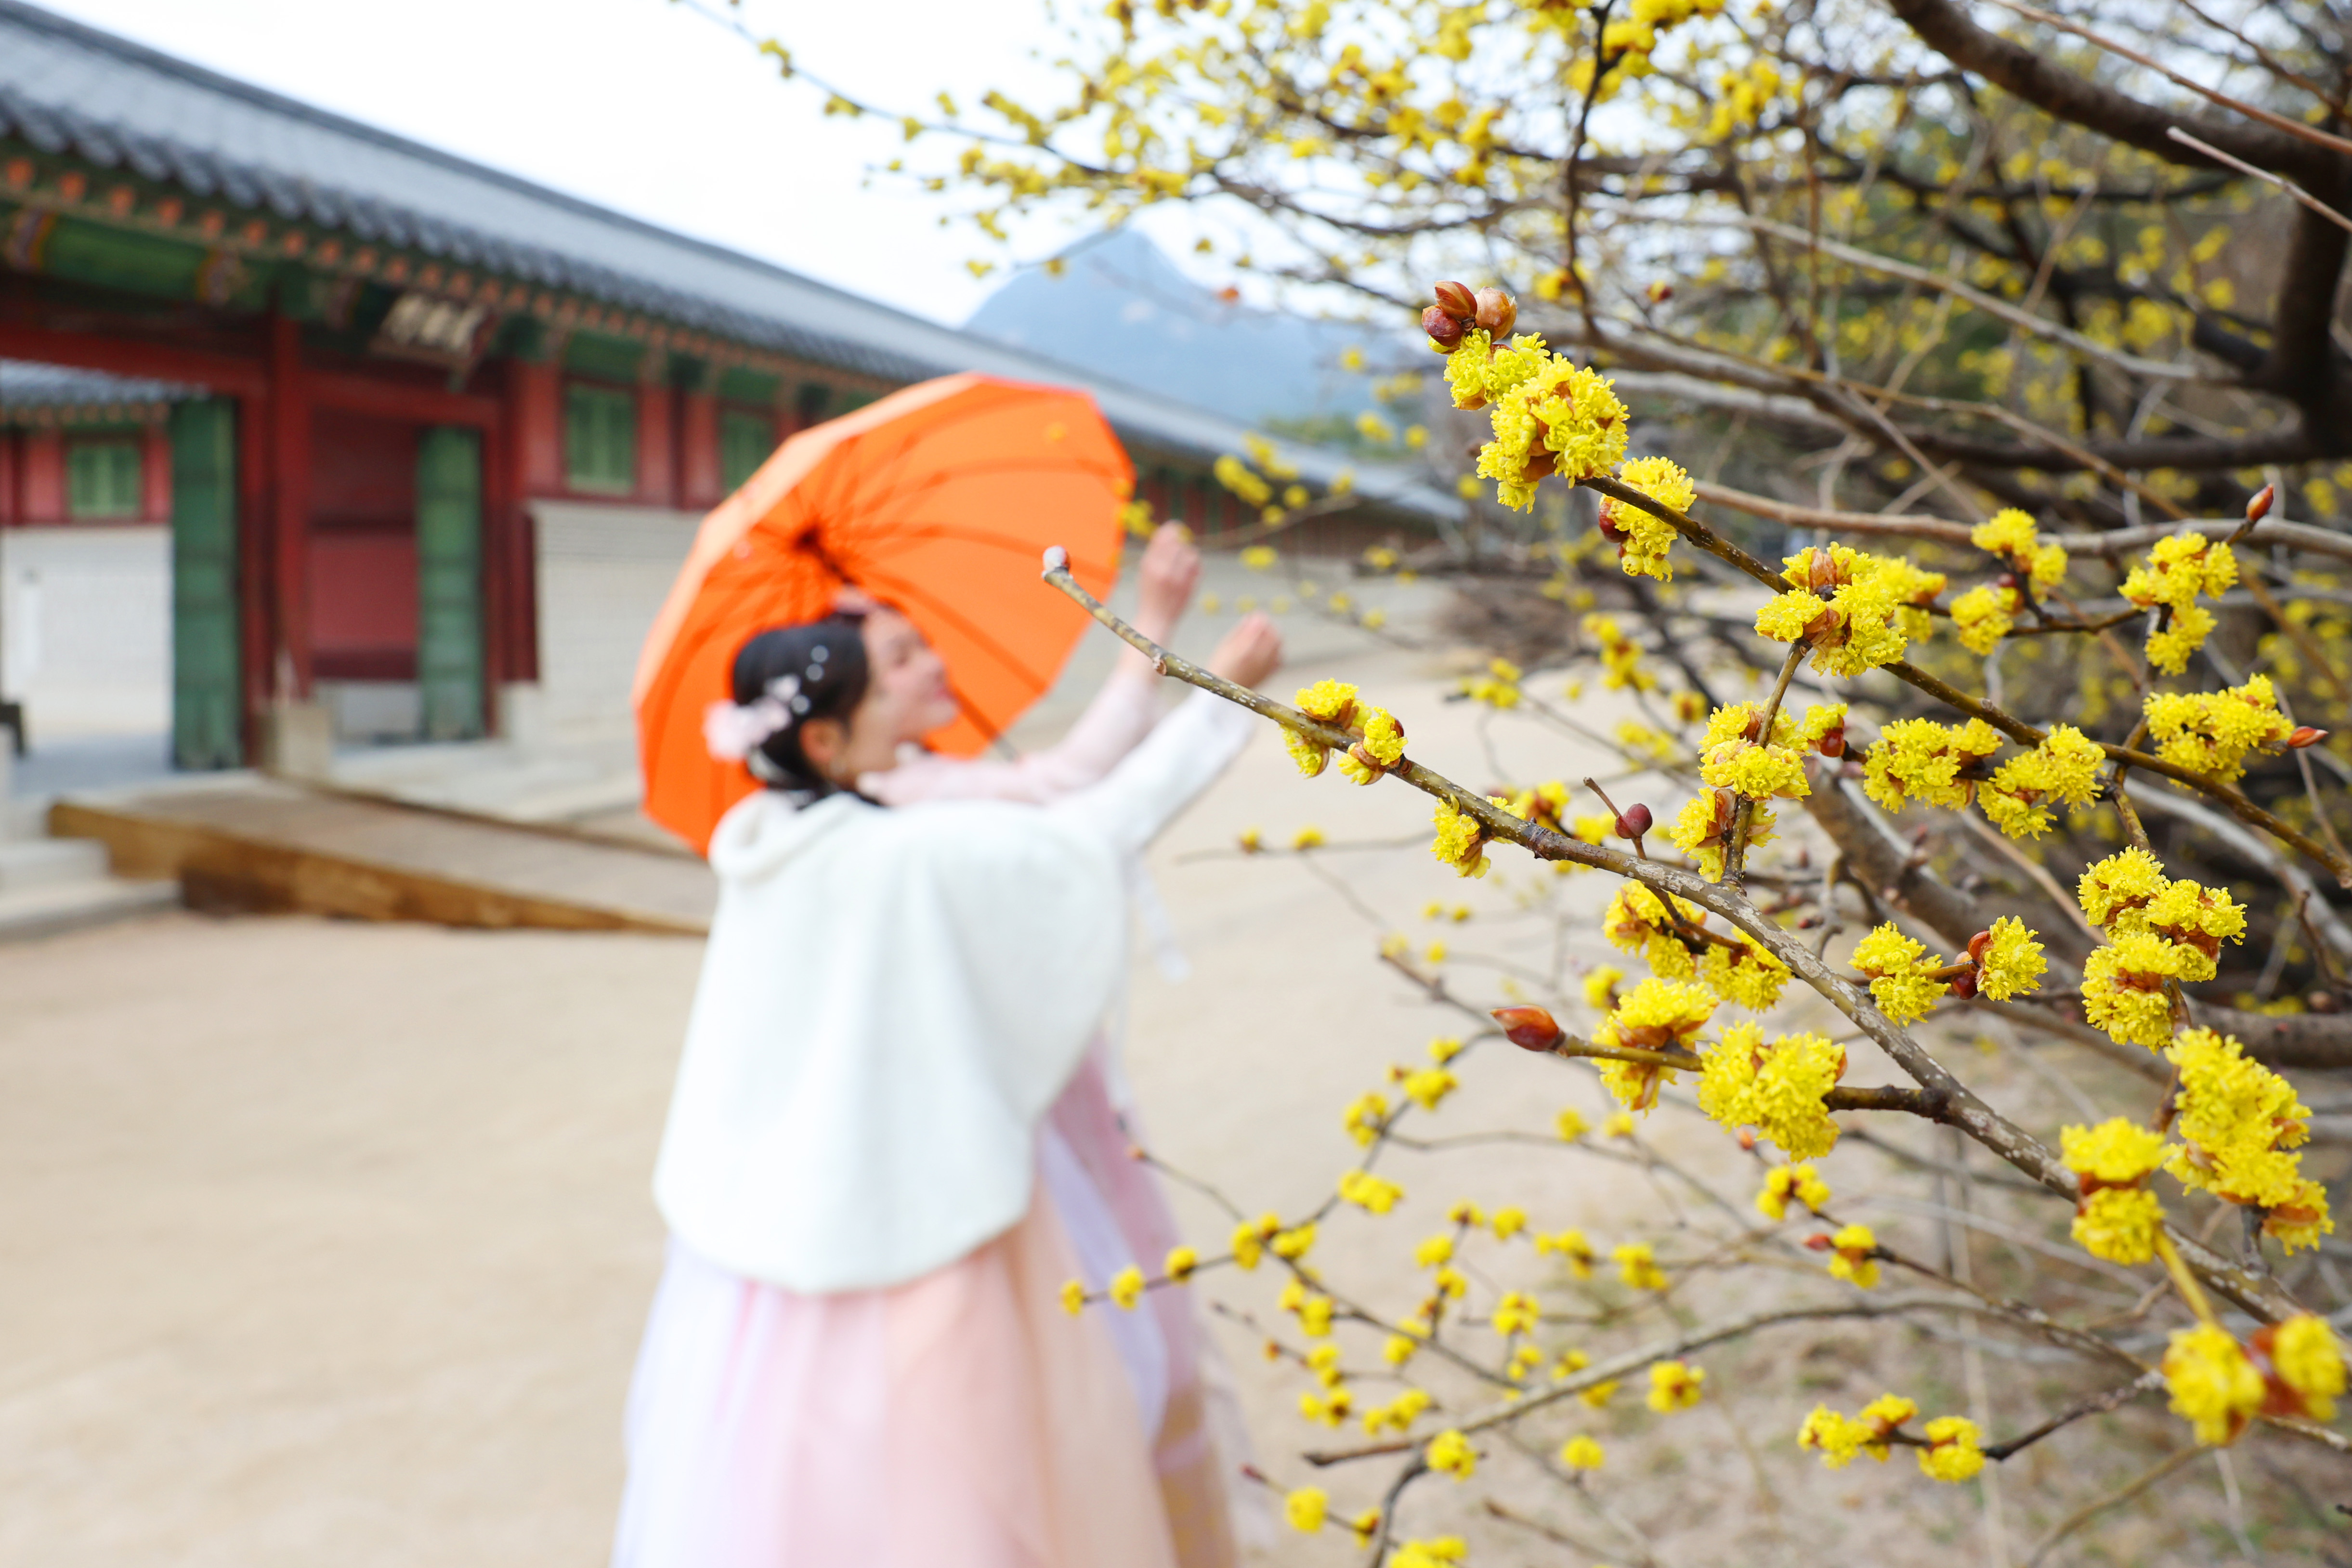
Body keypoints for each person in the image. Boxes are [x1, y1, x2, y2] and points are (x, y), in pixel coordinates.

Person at [613, 579, 1281, 1568]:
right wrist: (1222, 697)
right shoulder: (900, 854)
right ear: (830, 744)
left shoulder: (773, 848)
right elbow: (1091, 830)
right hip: (931, 1214)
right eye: (883, 678)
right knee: (979, 1461)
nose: (915, 684)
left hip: (778, 1239)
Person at [860, 525, 1273, 1567]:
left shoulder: (914, 784)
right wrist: (1213, 687)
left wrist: (1160, 628)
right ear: (835, 721)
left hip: (1063, 1107)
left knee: (1158, 1355)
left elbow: (1064, 778)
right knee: (1133, 1368)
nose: (932, 664)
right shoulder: (900, 816)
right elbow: (1090, 814)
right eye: (900, 659)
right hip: (1034, 1136)